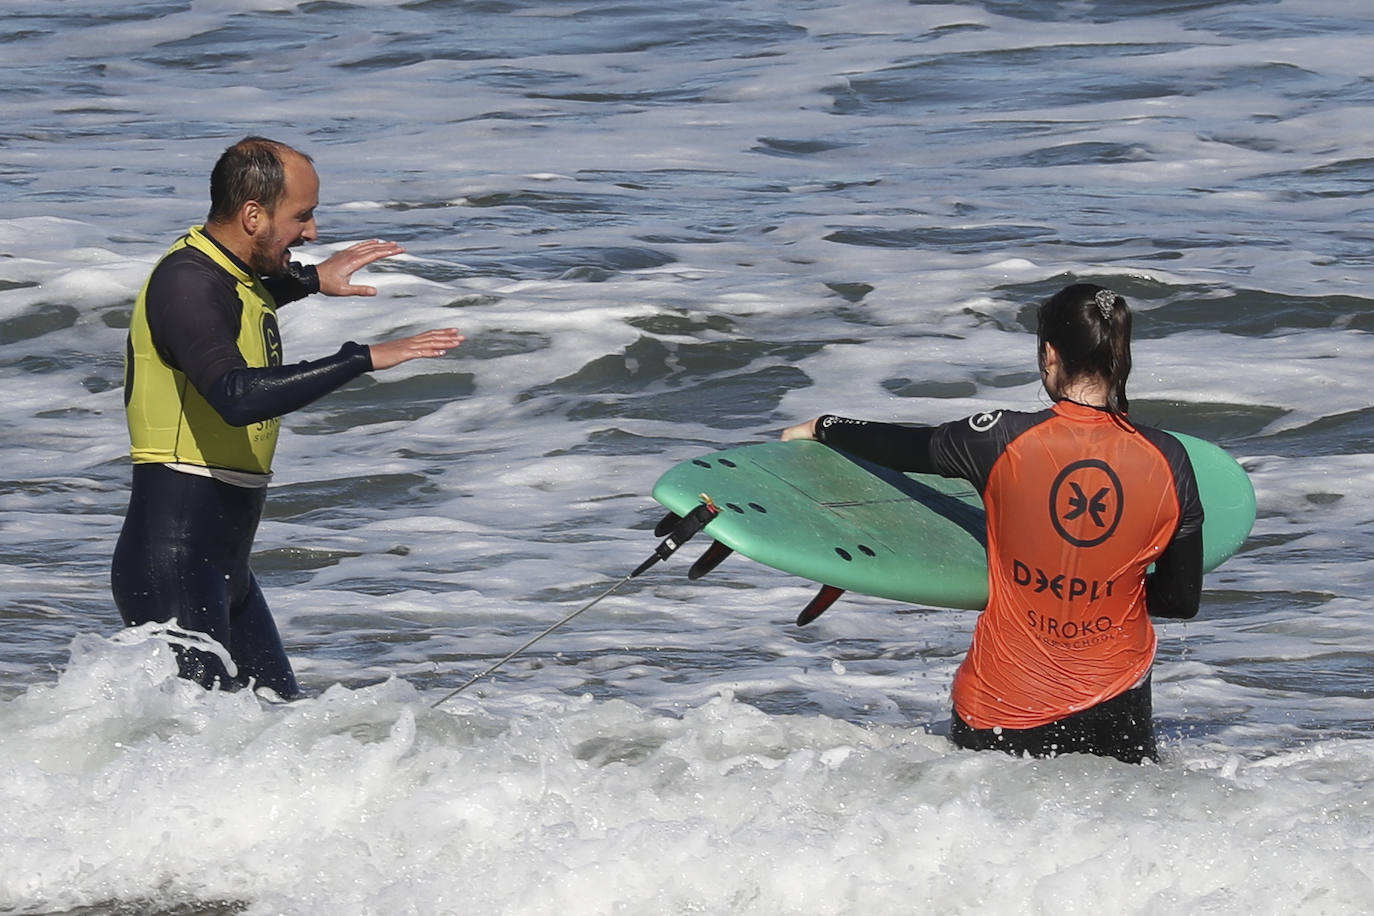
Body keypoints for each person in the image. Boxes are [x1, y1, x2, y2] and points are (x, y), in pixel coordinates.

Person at [782, 283, 1204, 763]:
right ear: (1118, 356)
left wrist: (822, 427)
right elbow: (1180, 601)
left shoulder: (1000, 437)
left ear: (1050, 354)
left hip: (1006, 705)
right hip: (1117, 703)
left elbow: (901, 447)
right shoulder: (1170, 459)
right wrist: (1100, 585)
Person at [112, 136, 464, 699]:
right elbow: (235, 395)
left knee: (277, 730)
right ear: (253, 215)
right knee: (200, 752)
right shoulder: (185, 281)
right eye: (302, 216)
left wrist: (311, 278)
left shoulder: (228, 275)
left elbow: (247, 293)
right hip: (175, 559)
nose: (313, 233)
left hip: (226, 565)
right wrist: (361, 359)